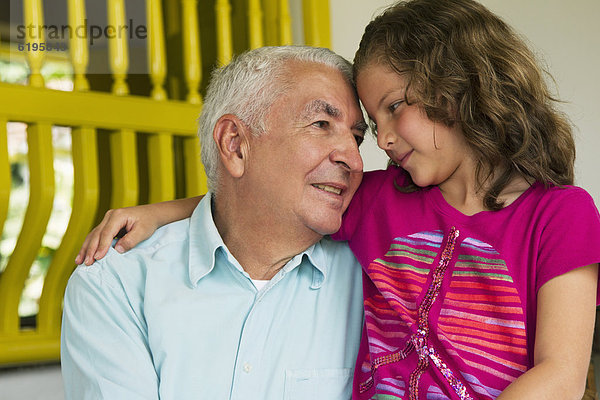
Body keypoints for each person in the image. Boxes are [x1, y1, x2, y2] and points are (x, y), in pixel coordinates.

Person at [76, 0, 600, 399]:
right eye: (375, 123)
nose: (380, 143)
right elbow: (253, 198)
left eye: (393, 110)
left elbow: (561, 374)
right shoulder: (381, 201)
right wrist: (158, 214)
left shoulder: (561, 214)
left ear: (461, 88)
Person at [61, 45, 369, 400]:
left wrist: (166, 210)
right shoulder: (116, 284)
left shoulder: (380, 274)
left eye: (357, 138)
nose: (354, 160)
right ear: (235, 144)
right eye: (320, 124)